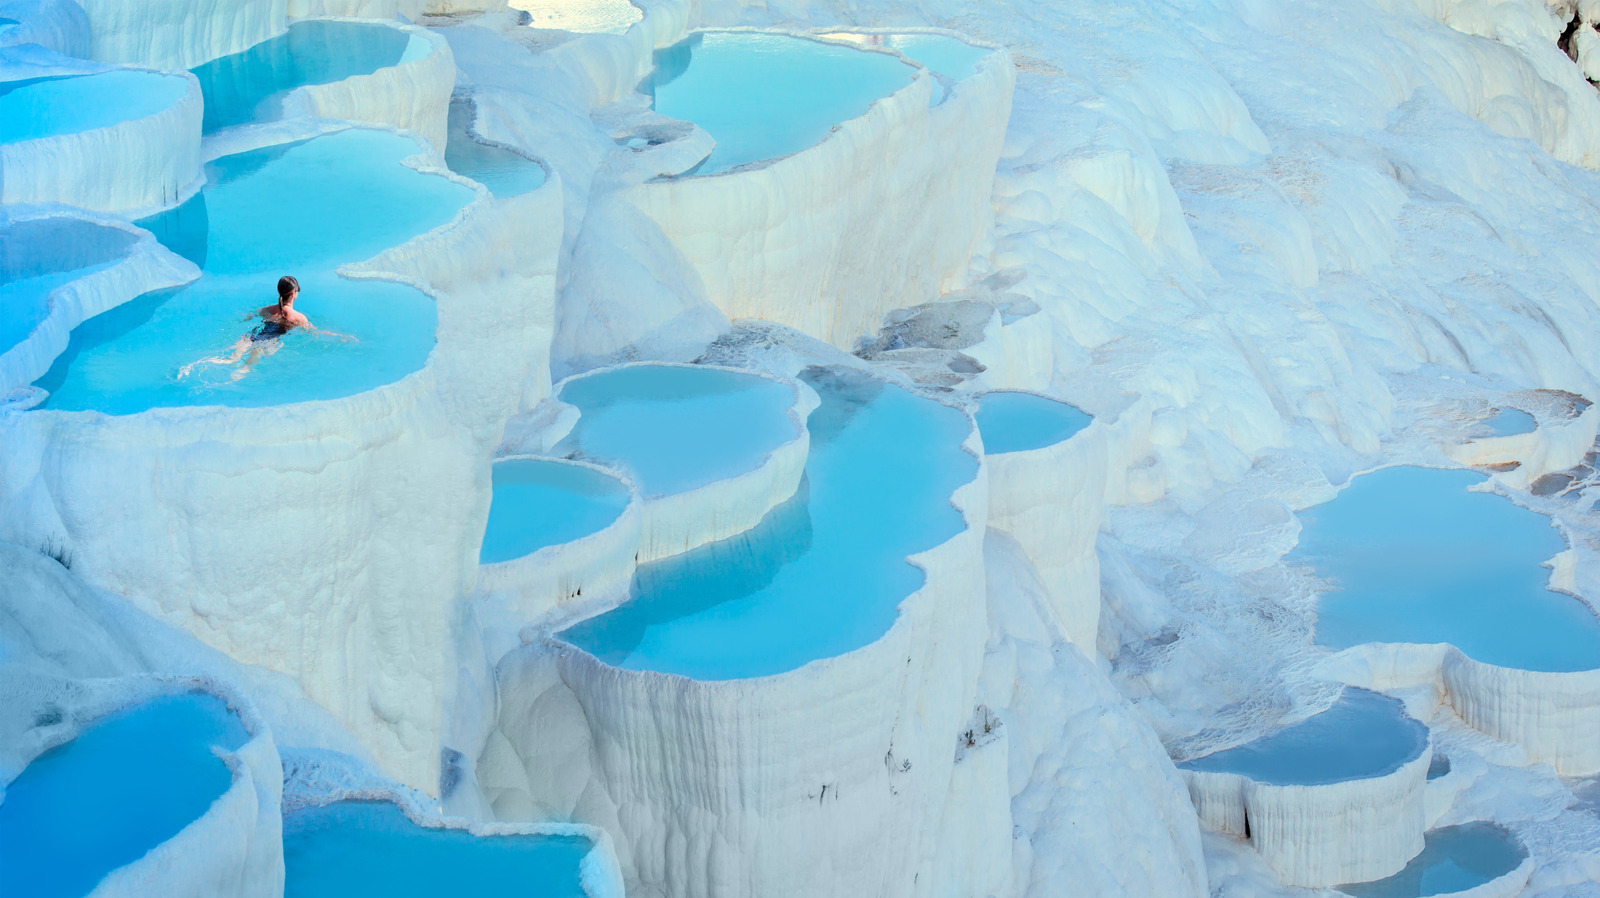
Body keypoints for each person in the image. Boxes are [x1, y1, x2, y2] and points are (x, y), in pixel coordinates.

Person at [180, 275, 352, 381]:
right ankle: (234, 378)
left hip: (250, 335)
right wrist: (341, 337)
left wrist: (244, 319)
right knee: (246, 366)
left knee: (230, 358)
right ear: (294, 294)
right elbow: (316, 332)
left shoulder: (268, 309)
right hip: (268, 342)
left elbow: (252, 314)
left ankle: (194, 365)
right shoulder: (298, 317)